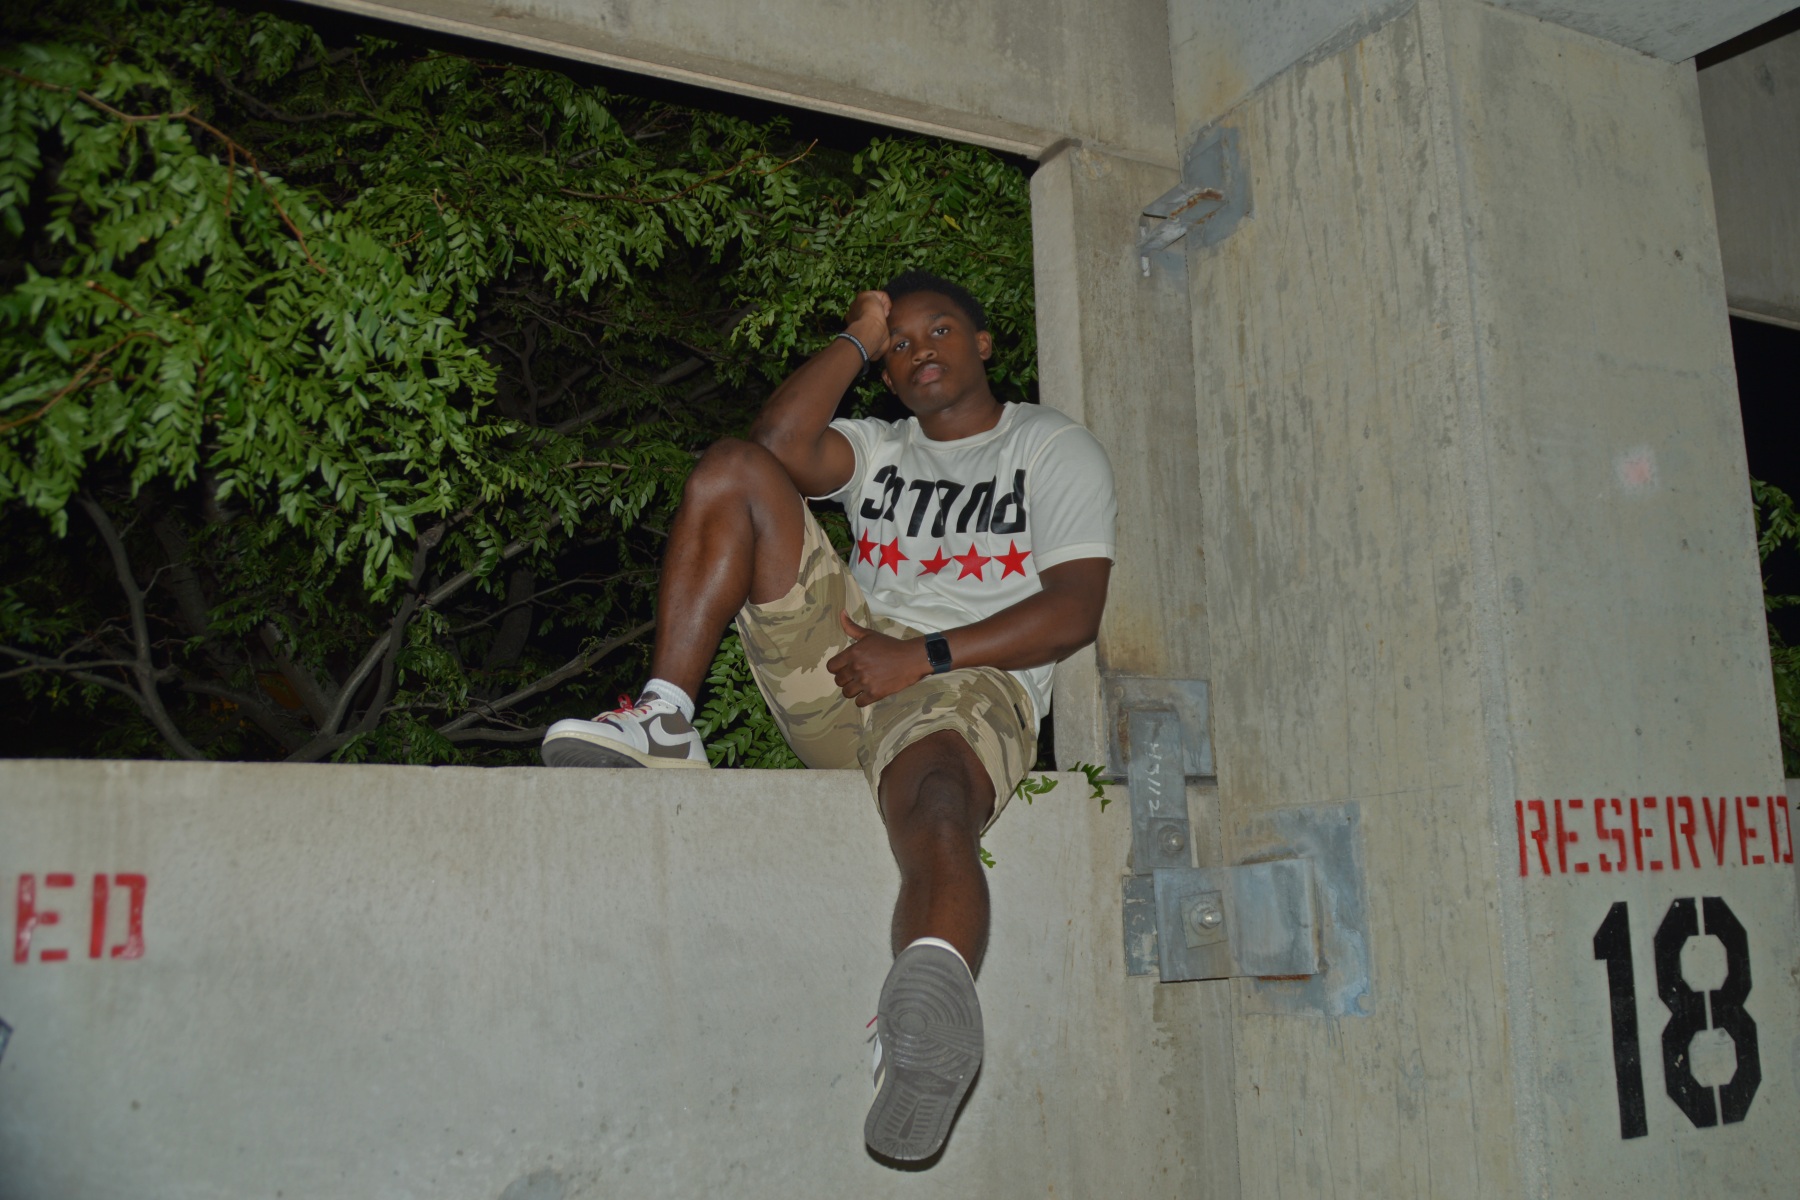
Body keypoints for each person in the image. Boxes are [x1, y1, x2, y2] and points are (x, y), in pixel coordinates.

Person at [541, 270, 1116, 1162]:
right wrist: (858, 336)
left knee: (938, 802)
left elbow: (1075, 610)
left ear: (983, 343)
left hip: (967, 678)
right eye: (901, 345)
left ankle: (922, 1028)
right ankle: (665, 718)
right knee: (733, 468)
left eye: (939, 330)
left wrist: (921, 657)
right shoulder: (879, 447)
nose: (919, 350)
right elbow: (777, 444)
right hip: (846, 665)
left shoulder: (1050, 446)